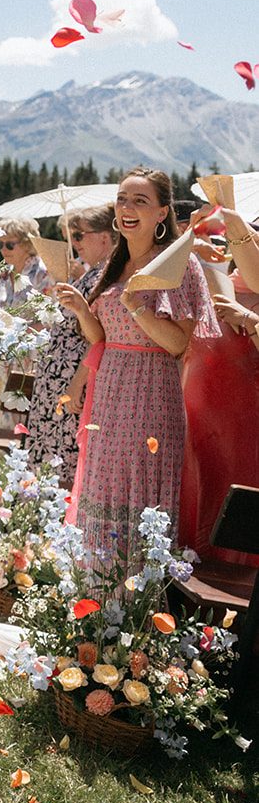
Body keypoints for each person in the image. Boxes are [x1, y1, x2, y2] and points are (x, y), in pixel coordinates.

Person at [55, 168, 218, 574]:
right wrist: (81, 309)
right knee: (102, 487)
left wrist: (138, 308)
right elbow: (101, 338)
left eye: (139, 201)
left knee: (139, 493)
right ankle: (96, 594)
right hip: (108, 393)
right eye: (122, 199)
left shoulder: (179, 264)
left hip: (150, 393)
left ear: (162, 213)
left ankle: (135, 603)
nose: (127, 208)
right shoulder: (116, 263)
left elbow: (177, 343)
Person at [178, 206, 259, 563]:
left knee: (231, 494)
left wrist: (250, 320)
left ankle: (232, 579)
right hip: (199, 406)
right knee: (197, 486)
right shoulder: (223, 276)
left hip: (242, 412)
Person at [24, 205, 115, 477]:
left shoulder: (107, 275)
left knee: (62, 460)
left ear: (105, 236)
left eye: (79, 235)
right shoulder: (93, 272)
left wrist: (77, 382)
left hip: (71, 379)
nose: (74, 243)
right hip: (56, 379)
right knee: (47, 456)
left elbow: (100, 336)